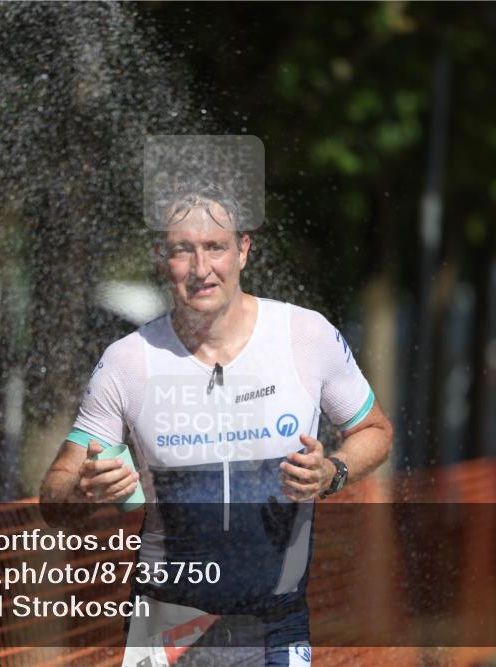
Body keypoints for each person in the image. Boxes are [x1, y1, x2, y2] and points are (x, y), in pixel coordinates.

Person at [39, 183, 393, 666]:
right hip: (165, 631)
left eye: (215, 247)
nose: (201, 268)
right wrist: (85, 489)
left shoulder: (306, 336)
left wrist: (333, 471)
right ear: (160, 257)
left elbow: (375, 431)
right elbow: (53, 497)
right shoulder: (129, 362)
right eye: (183, 250)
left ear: (244, 250)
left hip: (275, 625)